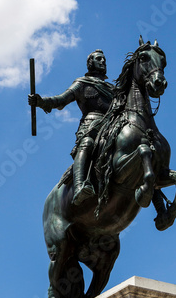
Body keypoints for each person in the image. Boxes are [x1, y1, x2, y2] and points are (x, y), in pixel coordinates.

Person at [28, 50, 115, 205]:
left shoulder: (113, 89)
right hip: (91, 125)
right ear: (90, 63)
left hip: (112, 125)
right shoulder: (82, 83)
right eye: (98, 59)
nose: (103, 61)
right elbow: (61, 99)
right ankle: (80, 186)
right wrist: (41, 101)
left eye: (104, 59)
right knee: (87, 143)